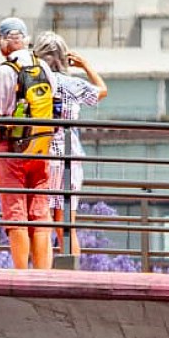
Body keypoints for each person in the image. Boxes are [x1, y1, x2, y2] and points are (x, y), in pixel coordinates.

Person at [0, 16, 55, 269]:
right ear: (25, 40)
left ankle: (21, 273)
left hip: (12, 149)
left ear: (3, 41)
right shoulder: (43, 67)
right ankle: (43, 273)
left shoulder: (4, 71)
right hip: (41, 148)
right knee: (40, 213)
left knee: (16, 214)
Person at [33, 30, 108, 254]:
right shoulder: (72, 84)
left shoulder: (34, 83)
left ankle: (42, 269)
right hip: (69, 156)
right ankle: (71, 269)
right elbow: (102, 91)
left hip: (43, 153)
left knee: (43, 220)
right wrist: (85, 65)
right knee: (66, 223)